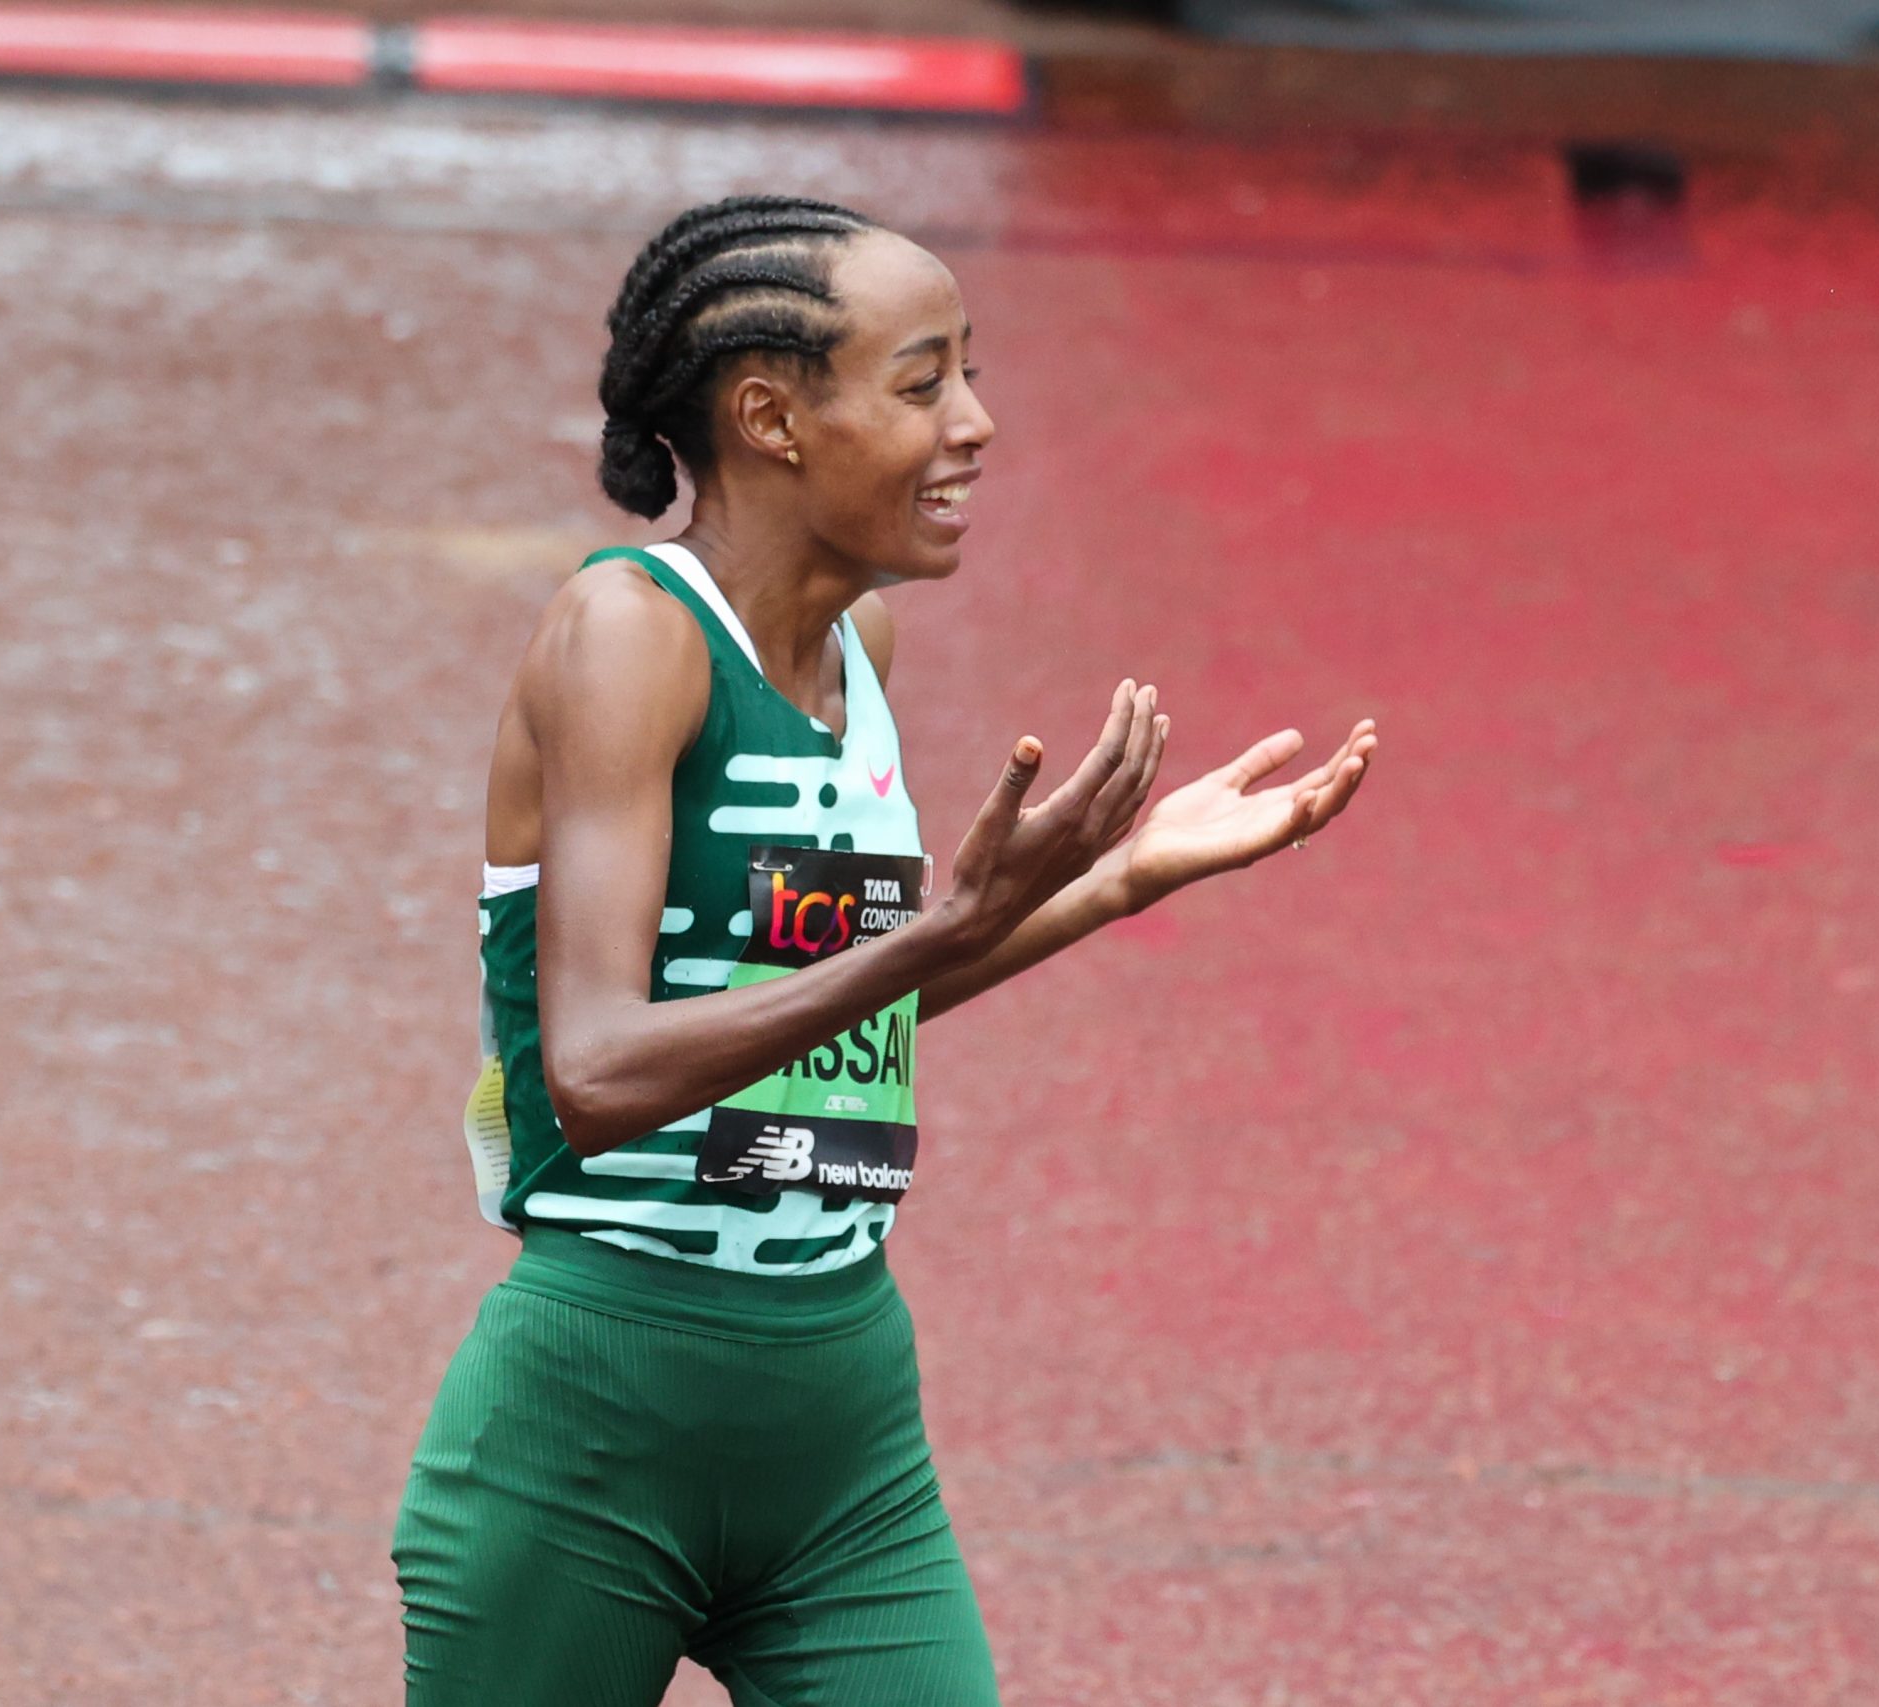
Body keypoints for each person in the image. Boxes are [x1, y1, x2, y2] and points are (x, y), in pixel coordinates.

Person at [393, 193, 1377, 1705]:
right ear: (772, 417)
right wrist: (940, 933)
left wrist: (1111, 883)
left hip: (842, 1423)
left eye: (967, 375)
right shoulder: (629, 635)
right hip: (597, 1418)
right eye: (924, 385)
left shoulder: (862, 653)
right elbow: (594, 1071)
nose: (975, 424)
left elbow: (835, 1015)